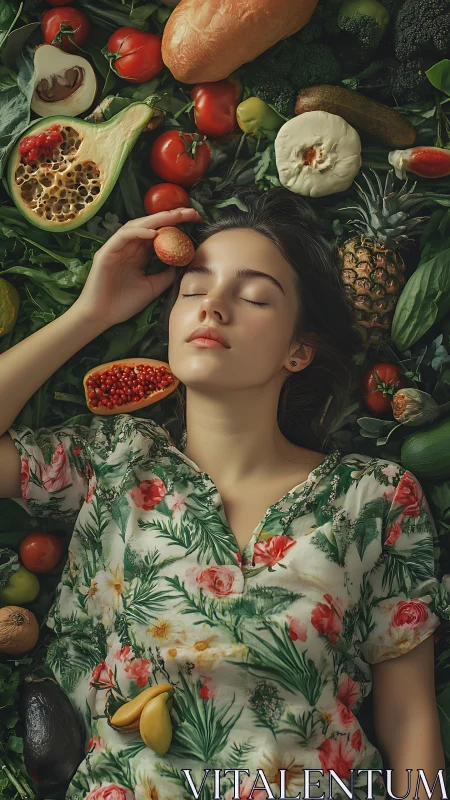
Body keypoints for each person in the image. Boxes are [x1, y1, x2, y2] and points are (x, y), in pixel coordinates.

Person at [0, 187, 446, 800]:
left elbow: (409, 717)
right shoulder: (114, 462)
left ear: (298, 350)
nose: (213, 305)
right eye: (193, 290)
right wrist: (92, 313)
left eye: (255, 295)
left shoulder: (376, 498)